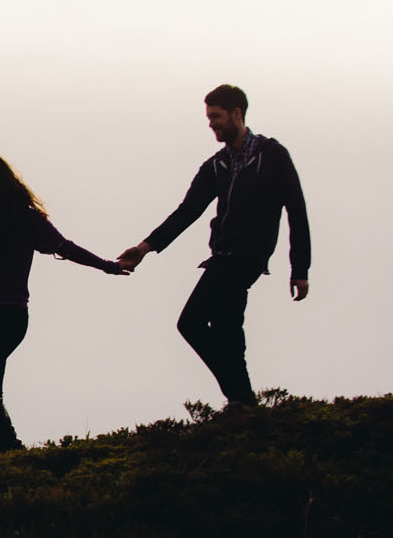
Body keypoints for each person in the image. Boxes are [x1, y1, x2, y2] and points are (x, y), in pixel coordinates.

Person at [116, 84, 310, 411]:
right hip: (221, 255)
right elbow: (187, 211)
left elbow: (297, 209)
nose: (211, 124)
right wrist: (145, 247)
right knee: (227, 328)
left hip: (247, 255)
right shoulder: (216, 166)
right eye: (208, 118)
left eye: (216, 116)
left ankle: (239, 395)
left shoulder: (271, 155)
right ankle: (243, 404)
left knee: (190, 322)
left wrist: (300, 268)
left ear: (237, 114)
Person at [0, 153, 128, 451]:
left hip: (8, 315)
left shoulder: (25, 218)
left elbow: (64, 247)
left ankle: (12, 446)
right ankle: (7, 455)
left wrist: (106, 265)